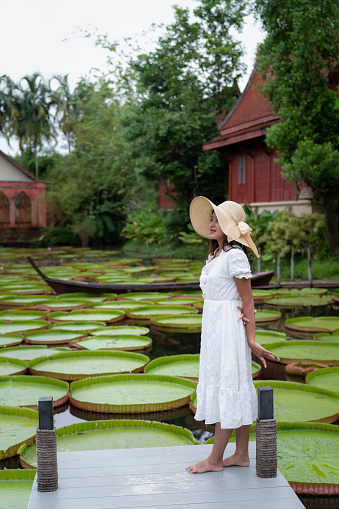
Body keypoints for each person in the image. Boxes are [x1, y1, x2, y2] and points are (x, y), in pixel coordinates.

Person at [186, 197, 276, 474]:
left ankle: (214, 460)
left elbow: (247, 301)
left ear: (229, 226)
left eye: (217, 219)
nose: (212, 223)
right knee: (233, 384)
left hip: (227, 328)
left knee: (229, 385)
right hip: (215, 326)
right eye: (211, 219)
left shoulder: (235, 255)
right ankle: (240, 455)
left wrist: (251, 341)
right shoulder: (216, 255)